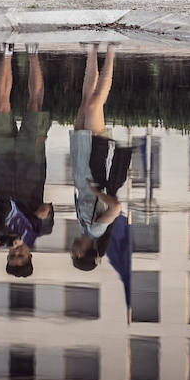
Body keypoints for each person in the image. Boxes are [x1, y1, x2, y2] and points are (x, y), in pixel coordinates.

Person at [0, 42, 54, 279]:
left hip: (1, 164)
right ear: (30, 255)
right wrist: (28, 223)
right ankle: (33, 53)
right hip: (31, 162)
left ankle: (7, 52)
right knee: (34, 105)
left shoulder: (0, 230)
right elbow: (45, 209)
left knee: (1, 106)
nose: (16, 253)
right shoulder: (41, 231)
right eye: (21, 256)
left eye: (12, 256)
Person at [69, 45, 133, 271]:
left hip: (80, 165)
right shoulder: (96, 230)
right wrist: (97, 192)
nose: (71, 252)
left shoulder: (83, 226)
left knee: (86, 102)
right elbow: (115, 208)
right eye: (73, 256)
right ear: (80, 253)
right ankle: (112, 51)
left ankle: (93, 50)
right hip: (93, 167)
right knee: (96, 104)